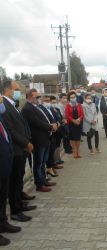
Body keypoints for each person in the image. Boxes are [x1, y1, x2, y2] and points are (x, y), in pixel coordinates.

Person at [2, 81, 36, 223]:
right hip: (16, 150)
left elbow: (21, 125)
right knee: (14, 181)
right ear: (8, 90)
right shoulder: (4, 106)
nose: (19, 93)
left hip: (20, 149)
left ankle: (19, 205)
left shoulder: (12, 104)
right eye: (16, 90)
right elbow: (11, 129)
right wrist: (25, 143)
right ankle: (15, 211)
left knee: (18, 179)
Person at [22, 89, 57, 192]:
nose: (38, 99)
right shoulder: (27, 108)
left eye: (38, 97)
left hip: (45, 138)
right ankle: (39, 184)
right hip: (38, 140)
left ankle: (44, 179)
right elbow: (36, 122)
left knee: (43, 161)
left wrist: (52, 125)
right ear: (29, 97)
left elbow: (44, 119)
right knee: (38, 162)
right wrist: (50, 127)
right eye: (36, 97)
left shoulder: (35, 107)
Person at [0, 96, 21, 246]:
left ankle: (2, 223)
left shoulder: (1, 117)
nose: (1, 100)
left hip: (4, 164)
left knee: (2, 197)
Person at [39, 95, 62, 178]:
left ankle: (51, 167)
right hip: (48, 133)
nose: (47, 102)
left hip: (54, 132)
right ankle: (49, 169)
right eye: (46, 100)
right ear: (41, 101)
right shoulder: (41, 109)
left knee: (51, 151)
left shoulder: (51, 108)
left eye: (48, 100)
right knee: (46, 155)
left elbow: (55, 117)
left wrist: (58, 123)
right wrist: (52, 126)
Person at [65, 91, 84, 158]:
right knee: (72, 138)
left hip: (79, 123)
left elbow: (82, 114)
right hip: (71, 124)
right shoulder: (67, 105)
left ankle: (78, 151)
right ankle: (74, 151)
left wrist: (78, 119)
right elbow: (67, 115)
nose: (73, 98)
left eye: (74, 97)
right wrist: (73, 120)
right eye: (71, 97)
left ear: (76, 97)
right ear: (69, 98)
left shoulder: (79, 105)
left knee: (78, 138)